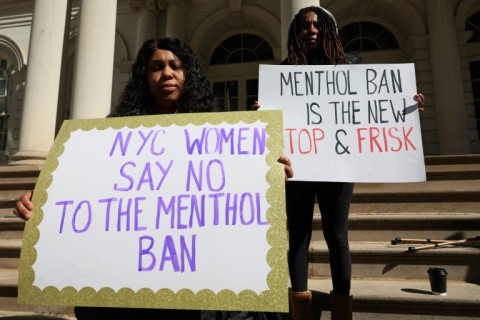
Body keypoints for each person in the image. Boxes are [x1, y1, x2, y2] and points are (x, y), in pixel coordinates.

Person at [14, 37, 292, 320]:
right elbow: (83, 188)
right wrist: (38, 201)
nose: (167, 73)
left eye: (175, 66)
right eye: (156, 67)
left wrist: (269, 174)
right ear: (144, 78)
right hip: (133, 289)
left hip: (197, 288)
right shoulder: (111, 137)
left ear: (188, 74)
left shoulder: (219, 133)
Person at [254, 6, 424, 320]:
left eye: (318, 24)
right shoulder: (284, 71)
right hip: (298, 167)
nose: (312, 30)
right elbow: (274, 117)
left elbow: (375, 107)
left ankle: (342, 309)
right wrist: (262, 110)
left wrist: (405, 106)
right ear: (297, 32)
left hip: (338, 166)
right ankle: (300, 310)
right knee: (299, 237)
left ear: (328, 29)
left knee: (337, 236)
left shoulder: (351, 66)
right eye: (305, 26)